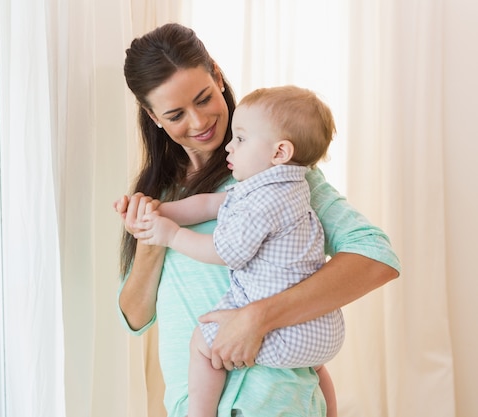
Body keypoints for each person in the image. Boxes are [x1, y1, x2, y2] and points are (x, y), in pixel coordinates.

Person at [115, 22, 400, 417]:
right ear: (153, 115)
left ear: (217, 75)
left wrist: (258, 318)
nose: (198, 122)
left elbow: (376, 258)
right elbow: (135, 317)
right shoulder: (159, 197)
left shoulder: (271, 175)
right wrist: (151, 236)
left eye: (203, 98)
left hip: (273, 402)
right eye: (176, 113)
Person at [132, 85, 344, 417]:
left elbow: (227, 250)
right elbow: (208, 204)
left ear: (279, 152)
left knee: (203, 345)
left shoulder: (263, 200)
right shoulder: (283, 188)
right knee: (315, 368)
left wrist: (171, 236)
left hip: (288, 329)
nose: (230, 145)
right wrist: (159, 210)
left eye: (241, 139)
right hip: (317, 331)